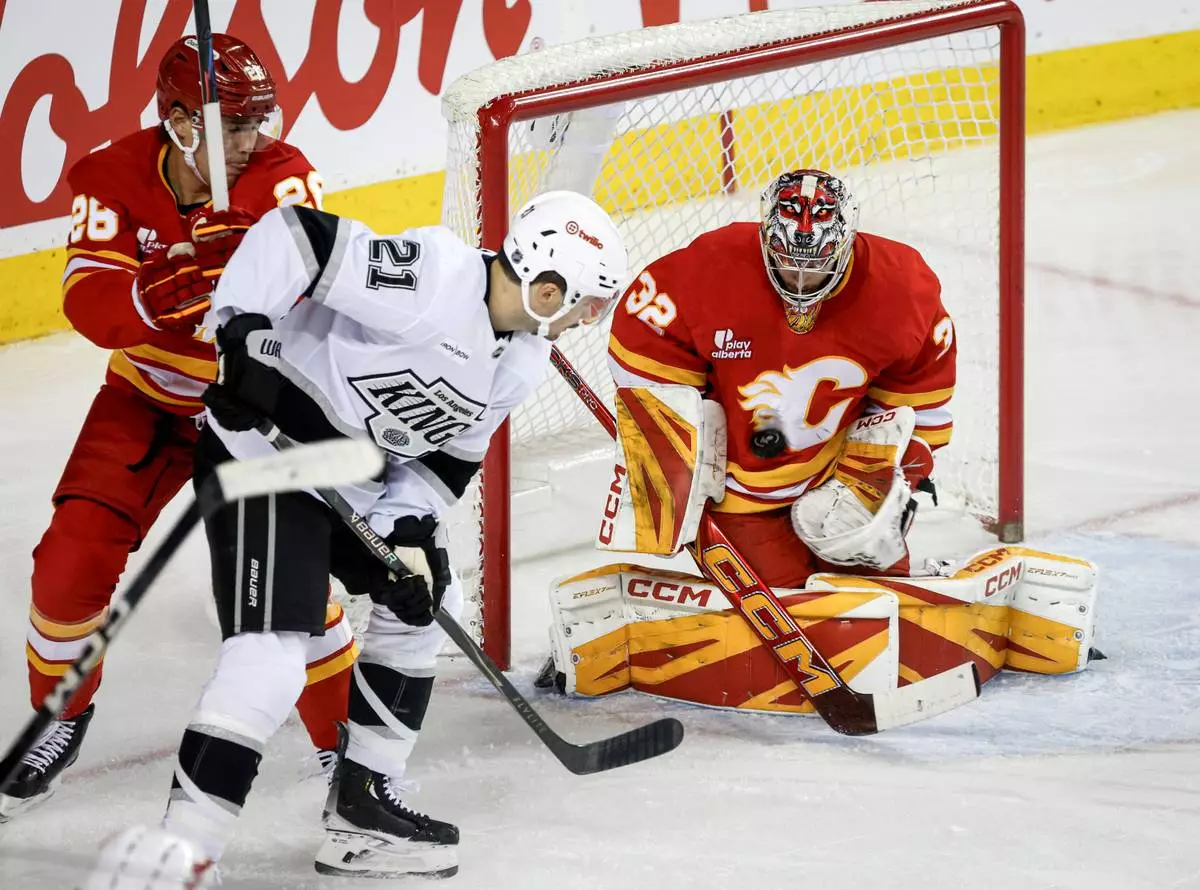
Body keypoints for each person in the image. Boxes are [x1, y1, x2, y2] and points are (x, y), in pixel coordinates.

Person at [85, 189, 630, 885]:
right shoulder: (433, 277)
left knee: (431, 601)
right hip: (266, 459)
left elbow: (443, 465)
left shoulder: (520, 362)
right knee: (270, 659)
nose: (589, 317)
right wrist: (241, 333)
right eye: (589, 302)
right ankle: (183, 852)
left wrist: (409, 532)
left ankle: (362, 806)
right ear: (549, 288)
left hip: (350, 484)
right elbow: (295, 237)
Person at [1, 34, 356, 822]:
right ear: (180, 121)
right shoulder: (110, 176)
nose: (251, 139)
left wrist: (253, 267)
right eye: (234, 124)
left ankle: (347, 749)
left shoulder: (284, 176)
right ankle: (60, 715)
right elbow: (89, 307)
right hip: (148, 402)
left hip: (254, 412)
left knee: (293, 591)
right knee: (68, 563)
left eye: (258, 122)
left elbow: (320, 301)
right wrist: (157, 291)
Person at [606, 168, 955, 588]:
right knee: (780, 603)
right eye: (788, 264)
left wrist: (892, 475)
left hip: (840, 479)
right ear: (765, 241)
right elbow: (640, 337)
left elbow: (922, 391)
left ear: (845, 245)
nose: (801, 280)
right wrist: (674, 448)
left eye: (816, 265)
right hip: (739, 495)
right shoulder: (709, 269)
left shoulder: (900, 286)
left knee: (880, 593)